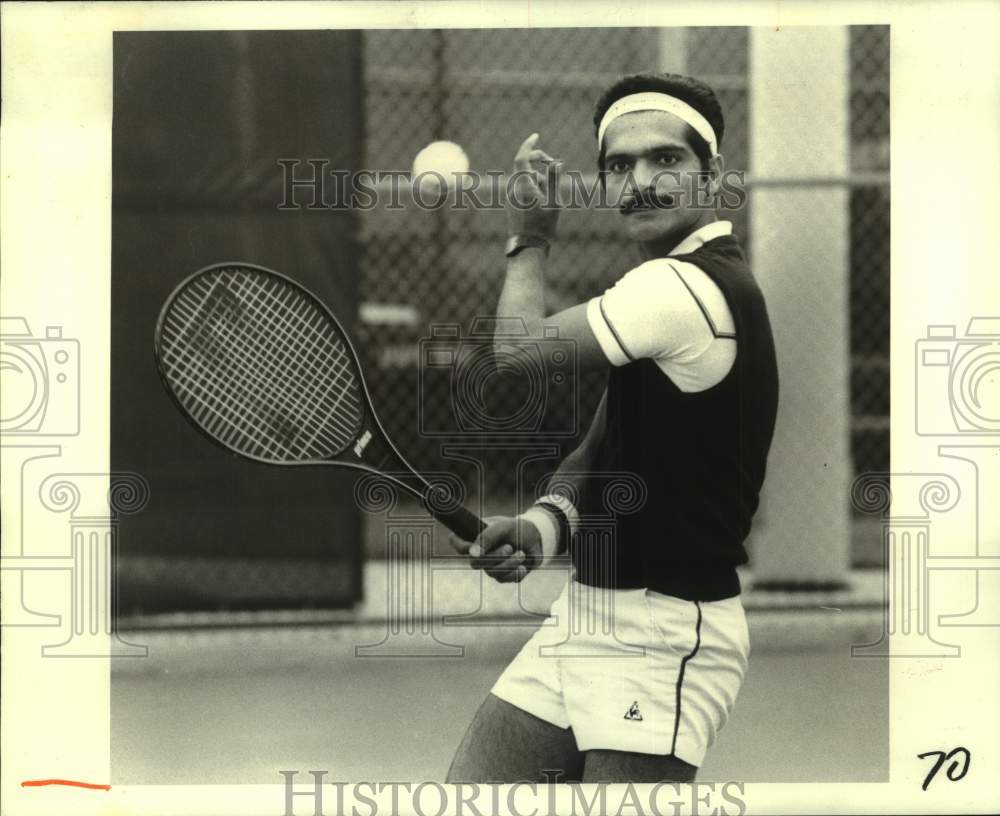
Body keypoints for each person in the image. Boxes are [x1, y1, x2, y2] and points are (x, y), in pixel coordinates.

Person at [446, 72, 779, 784]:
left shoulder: (681, 288)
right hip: (587, 614)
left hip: (664, 633)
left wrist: (529, 238)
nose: (641, 182)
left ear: (712, 174)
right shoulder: (669, 285)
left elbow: (517, 349)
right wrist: (541, 526)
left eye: (667, 160)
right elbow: (603, 444)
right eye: (620, 166)